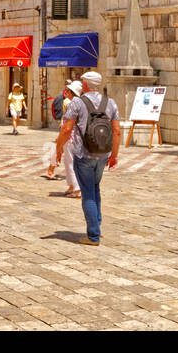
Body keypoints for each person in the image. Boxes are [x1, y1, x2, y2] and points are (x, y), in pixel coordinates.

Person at [55, 71, 119, 245]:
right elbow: (117, 131)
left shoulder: (77, 102)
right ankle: (96, 225)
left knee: (88, 193)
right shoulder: (110, 103)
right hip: (103, 153)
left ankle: (93, 235)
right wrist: (114, 155)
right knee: (95, 188)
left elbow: (66, 129)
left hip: (84, 154)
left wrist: (58, 148)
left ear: (85, 84)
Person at [51, 81, 83, 197]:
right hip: (74, 137)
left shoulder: (72, 104)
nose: (66, 92)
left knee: (71, 162)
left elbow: (67, 125)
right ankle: (71, 185)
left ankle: (77, 189)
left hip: (71, 137)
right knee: (68, 161)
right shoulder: (79, 103)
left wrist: (60, 141)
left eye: (68, 90)